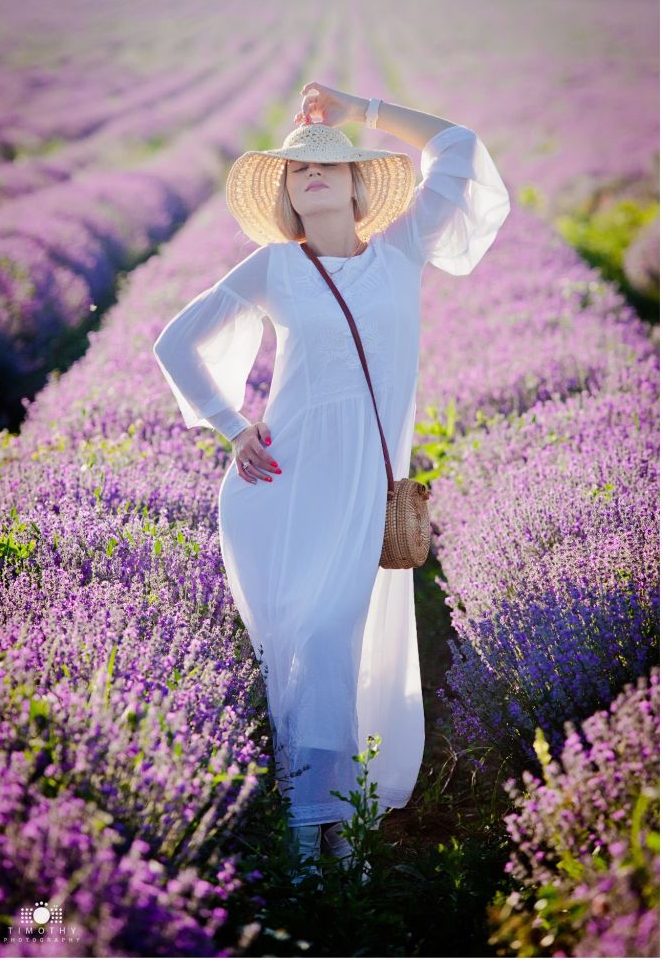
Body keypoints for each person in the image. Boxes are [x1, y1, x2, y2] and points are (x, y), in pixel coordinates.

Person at [152, 83, 511, 884]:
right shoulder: (275, 266)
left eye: (329, 164)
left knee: (330, 642)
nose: (311, 173)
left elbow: (458, 145)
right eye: (297, 168)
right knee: (315, 642)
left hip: (361, 486)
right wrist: (232, 426)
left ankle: (326, 825)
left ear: (356, 183)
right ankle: (321, 837)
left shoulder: (404, 247)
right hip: (284, 489)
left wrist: (362, 109)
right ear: (286, 193)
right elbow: (175, 341)